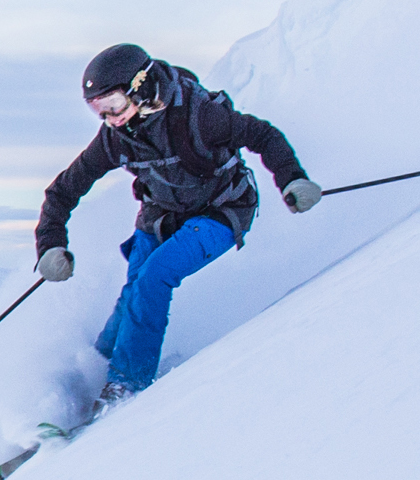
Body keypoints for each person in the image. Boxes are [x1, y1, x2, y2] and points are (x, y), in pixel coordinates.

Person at [34, 43, 323, 407]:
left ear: (139, 86)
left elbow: (262, 136)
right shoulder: (115, 138)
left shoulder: (200, 116)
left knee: (155, 276)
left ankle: (126, 383)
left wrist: (292, 179)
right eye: (98, 110)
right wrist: (50, 245)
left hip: (222, 211)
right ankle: (94, 372)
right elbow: (63, 191)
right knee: (134, 290)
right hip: (161, 215)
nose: (109, 118)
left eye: (113, 105)